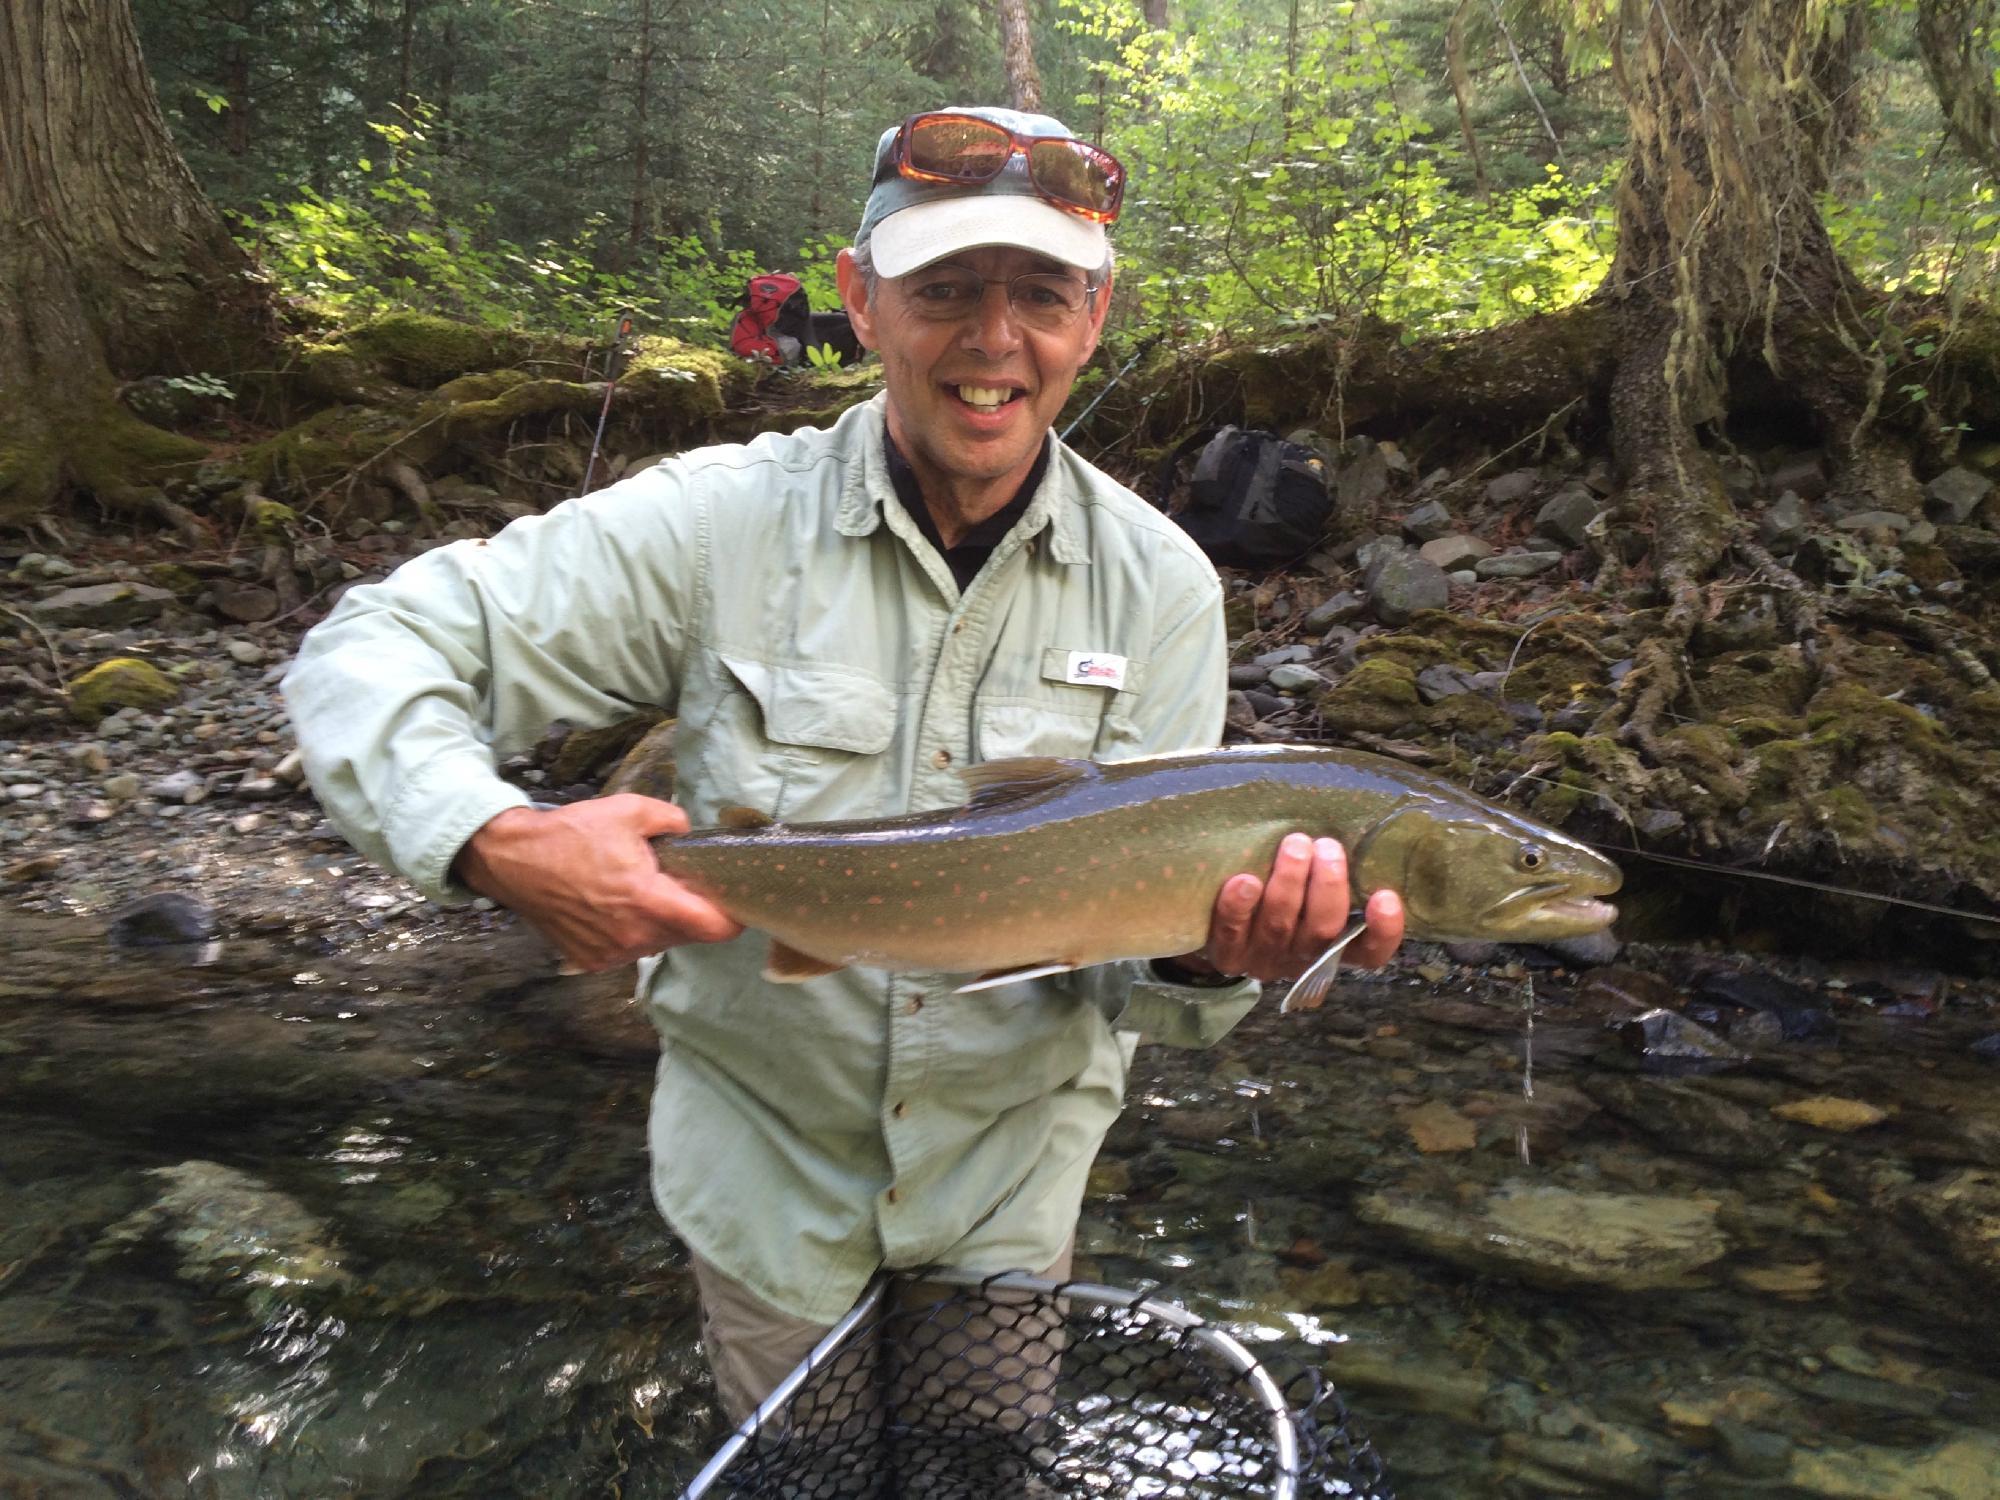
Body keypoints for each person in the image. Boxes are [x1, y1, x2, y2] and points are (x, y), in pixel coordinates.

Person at [282, 104, 1405, 1424]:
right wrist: (492, 837)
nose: (995, 340)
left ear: (1094, 321)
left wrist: (1215, 958)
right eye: (946, 289)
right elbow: (374, 646)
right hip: (767, 1194)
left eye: (1040, 293)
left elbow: (1144, 995)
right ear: (861, 302)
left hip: (1009, 1194)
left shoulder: (1160, 589)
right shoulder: (714, 526)